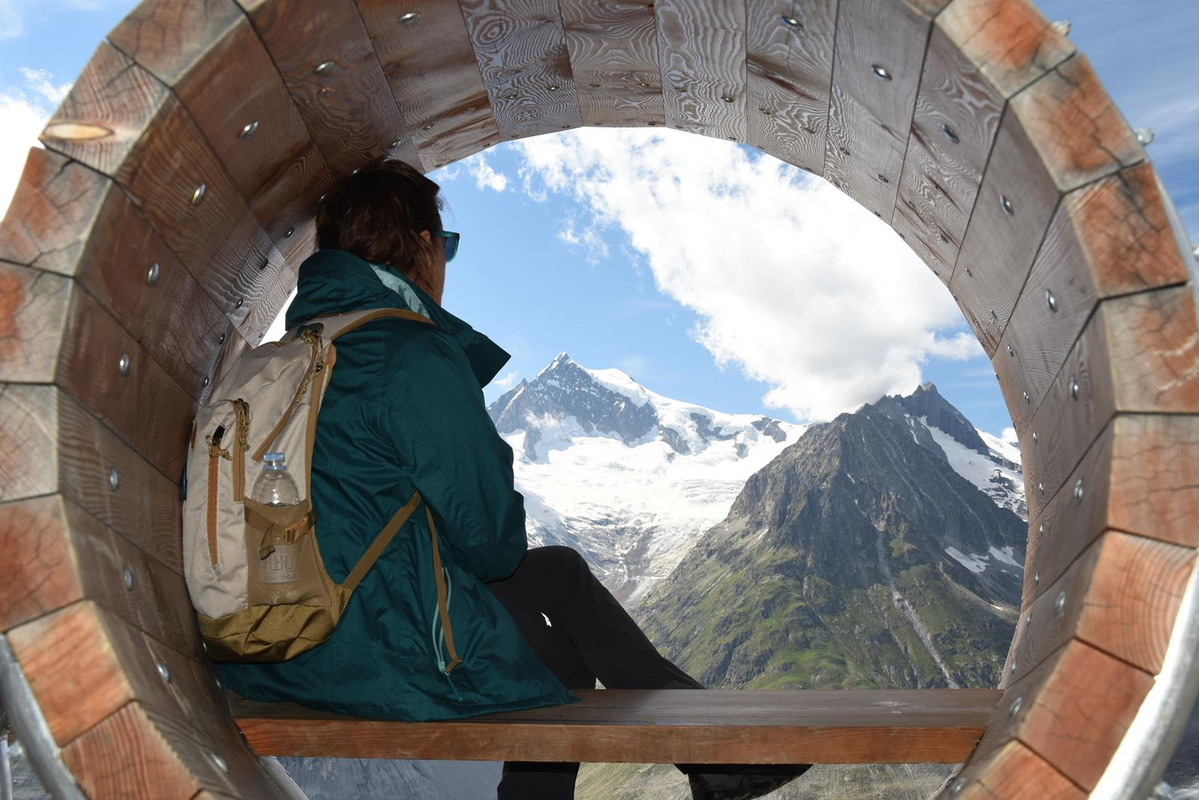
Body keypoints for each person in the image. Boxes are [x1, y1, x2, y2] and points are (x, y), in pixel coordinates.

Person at [214, 159, 809, 799]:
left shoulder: (293, 353)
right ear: (422, 248)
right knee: (557, 663)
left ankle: (714, 757)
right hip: (356, 648)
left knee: (559, 573)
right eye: (445, 246)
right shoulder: (407, 352)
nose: (445, 262)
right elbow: (491, 541)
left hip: (275, 637)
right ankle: (716, 760)